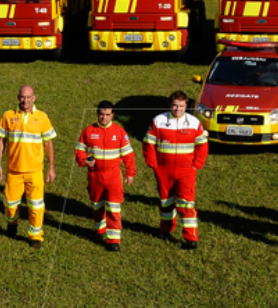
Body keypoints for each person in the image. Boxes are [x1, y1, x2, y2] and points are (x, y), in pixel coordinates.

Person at [142, 91, 208, 250]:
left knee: (186, 204)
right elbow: (148, 143)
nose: (177, 109)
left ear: (186, 106)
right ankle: (165, 230)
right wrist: (154, 165)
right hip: (164, 170)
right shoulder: (158, 121)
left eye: (181, 106)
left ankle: (191, 238)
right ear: (170, 105)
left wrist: (196, 165)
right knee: (166, 203)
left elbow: (202, 145)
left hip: (187, 171)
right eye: (174, 105)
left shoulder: (193, 122)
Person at [0, 85, 57, 249]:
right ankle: (12, 223)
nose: (25, 100)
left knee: (36, 206)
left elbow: (49, 143)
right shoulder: (8, 116)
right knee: (9, 204)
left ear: (34, 98)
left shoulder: (42, 117)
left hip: (35, 171)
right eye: (22, 97)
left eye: (28, 97)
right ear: (18, 97)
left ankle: (35, 236)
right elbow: (1, 141)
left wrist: (51, 168)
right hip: (13, 171)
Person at [75, 101, 136, 252]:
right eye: (101, 114)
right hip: (94, 176)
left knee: (114, 208)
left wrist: (130, 172)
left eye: (107, 115)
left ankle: (113, 240)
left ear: (113, 115)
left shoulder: (120, 132)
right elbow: (79, 150)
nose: (104, 117)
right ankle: (99, 230)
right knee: (97, 205)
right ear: (97, 114)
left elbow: (128, 154)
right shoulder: (88, 131)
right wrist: (84, 161)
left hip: (113, 177)